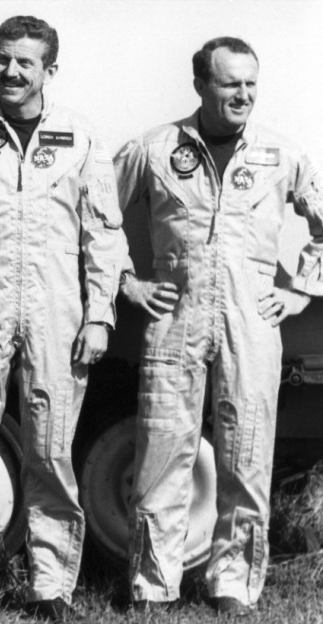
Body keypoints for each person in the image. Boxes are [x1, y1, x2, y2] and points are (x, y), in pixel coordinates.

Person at [0, 16, 124, 621]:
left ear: (48, 71)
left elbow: (103, 236)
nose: (10, 71)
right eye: (2, 59)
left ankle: (50, 587)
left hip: (57, 308)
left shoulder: (79, 136)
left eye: (24, 63)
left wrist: (99, 315)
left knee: (51, 451)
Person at [117, 36, 323, 616]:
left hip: (250, 319)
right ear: (201, 84)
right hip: (176, 315)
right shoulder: (156, 149)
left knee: (247, 454)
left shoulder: (279, 155)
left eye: (251, 84)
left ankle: (232, 582)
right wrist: (128, 283)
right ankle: (154, 586)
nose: (243, 95)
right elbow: (95, 216)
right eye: (230, 83)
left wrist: (302, 289)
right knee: (161, 454)